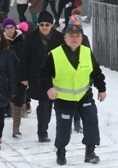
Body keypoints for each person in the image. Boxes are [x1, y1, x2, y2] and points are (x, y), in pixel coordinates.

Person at [40, 23, 107, 165]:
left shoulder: (87, 52)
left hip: (84, 96)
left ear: (82, 38)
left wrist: (101, 89)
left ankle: (90, 152)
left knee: (91, 121)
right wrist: (49, 88)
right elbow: (43, 75)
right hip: (63, 99)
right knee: (64, 127)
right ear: (65, 38)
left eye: (77, 36)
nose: (74, 38)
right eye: (71, 36)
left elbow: (96, 73)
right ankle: (61, 152)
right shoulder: (54, 54)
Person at [19, 11, 64, 143]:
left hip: (55, 76)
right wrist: (23, 76)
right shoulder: (31, 37)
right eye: (42, 24)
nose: (44, 27)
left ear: (52, 25)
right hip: (37, 76)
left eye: (47, 24)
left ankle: (59, 126)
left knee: (53, 103)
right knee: (44, 103)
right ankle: (42, 131)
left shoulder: (59, 37)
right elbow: (24, 58)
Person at [2, 17, 26, 138]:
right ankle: (16, 118)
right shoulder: (2, 42)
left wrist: (27, 75)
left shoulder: (22, 38)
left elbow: (27, 58)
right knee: (12, 98)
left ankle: (16, 128)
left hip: (21, 74)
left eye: (11, 27)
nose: (10, 30)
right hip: (8, 75)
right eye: (7, 28)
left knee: (19, 100)